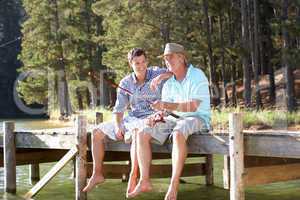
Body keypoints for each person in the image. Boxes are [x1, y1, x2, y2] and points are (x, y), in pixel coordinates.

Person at [82, 48, 172, 195]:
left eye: (143, 62)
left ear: (147, 61)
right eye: (137, 63)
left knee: (136, 134)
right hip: (132, 118)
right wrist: (117, 126)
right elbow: (118, 110)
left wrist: (161, 78)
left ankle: (134, 176)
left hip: (151, 118)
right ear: (131, 64)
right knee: (96, 132)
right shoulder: (126, 82)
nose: (141, 66)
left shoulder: (156, 72)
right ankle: (97, 174)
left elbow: (175, 72)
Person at [127, 43, 211, 200]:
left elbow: (192, 106)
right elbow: (167, 110)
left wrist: (165, 106)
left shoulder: (197, 75)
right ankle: (144, 181)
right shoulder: (169, 82)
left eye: (170, 57)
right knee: (142, 132)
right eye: (165, 59)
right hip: (174, 118)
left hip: (197, 117)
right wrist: (158, 115)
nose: (167, 62)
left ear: (181, 58)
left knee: (179, 132)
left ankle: (174, 184)